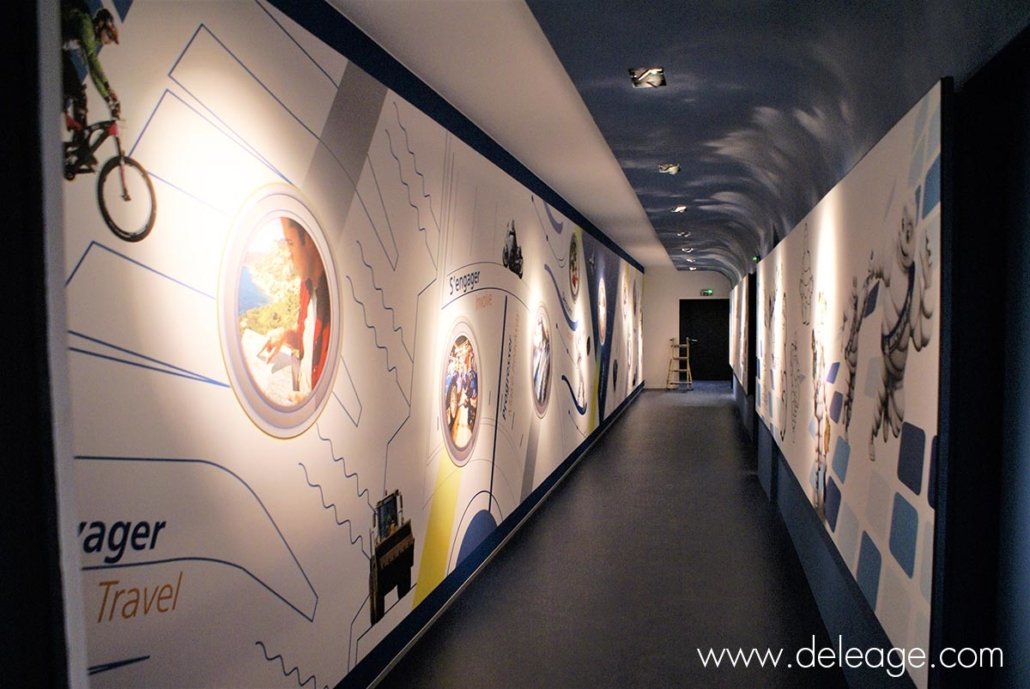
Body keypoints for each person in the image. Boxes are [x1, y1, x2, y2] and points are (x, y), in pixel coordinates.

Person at [262, 218, 330, 401]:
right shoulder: (307, 286)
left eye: (291, 243)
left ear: (308, 240)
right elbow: (308, 339)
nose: (288, 254)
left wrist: (309, 402)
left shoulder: (333, 306)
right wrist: (286, 335)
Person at [62, 2, 122, 153]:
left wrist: (107, 98)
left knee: (80, 96)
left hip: (58, 52)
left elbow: (93, 72)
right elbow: (92, 58)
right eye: (109, 35)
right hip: (52, 47)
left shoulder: (91, 40)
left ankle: (79, 144)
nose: (109, 41)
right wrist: (107, 86)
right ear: (100, 25)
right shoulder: (86, 24)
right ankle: (81, 145)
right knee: (77, 94)